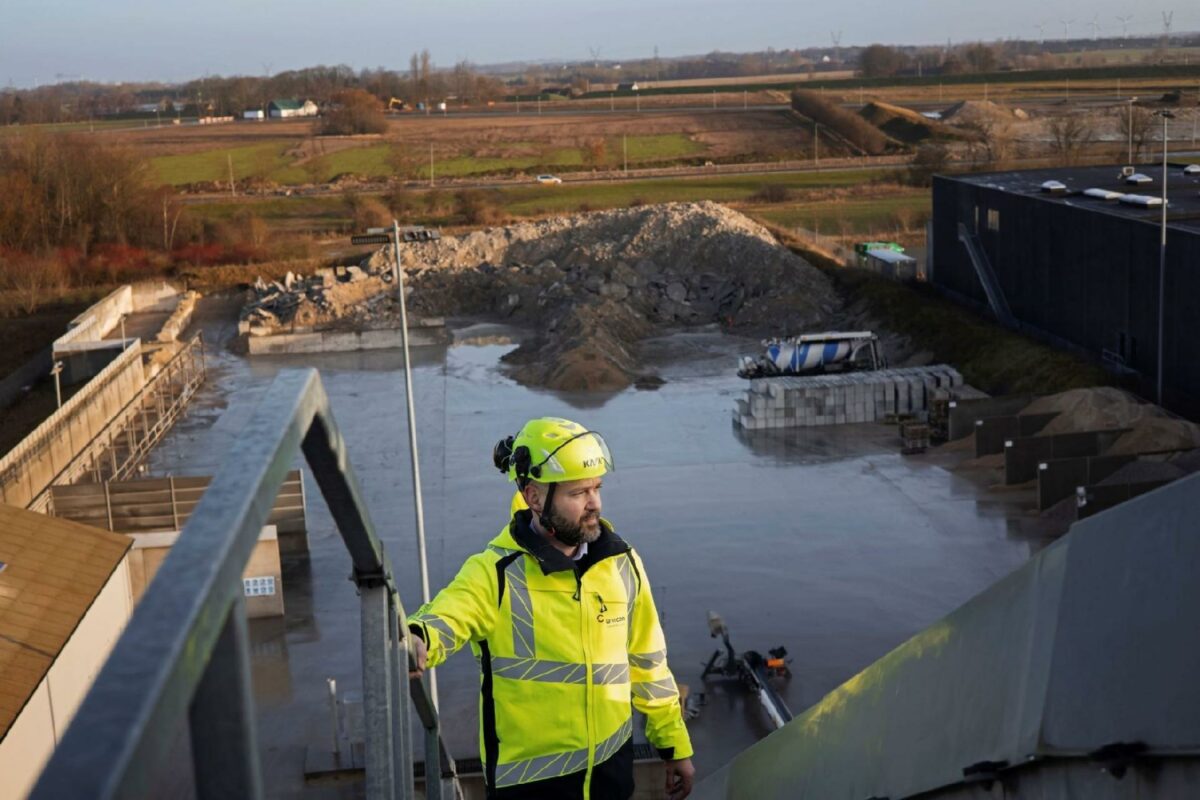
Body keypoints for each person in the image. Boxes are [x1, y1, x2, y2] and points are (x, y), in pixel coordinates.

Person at [408, 417, 695, 800]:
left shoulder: (621, 563)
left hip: (612, 776)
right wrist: (416, 636)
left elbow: (648, 662)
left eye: (597, 488)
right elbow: (446, 615)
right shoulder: (495, 573)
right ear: (534, 497)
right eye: (578, 493)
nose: (595, 504)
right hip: (531, 787)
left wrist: (674, 746)